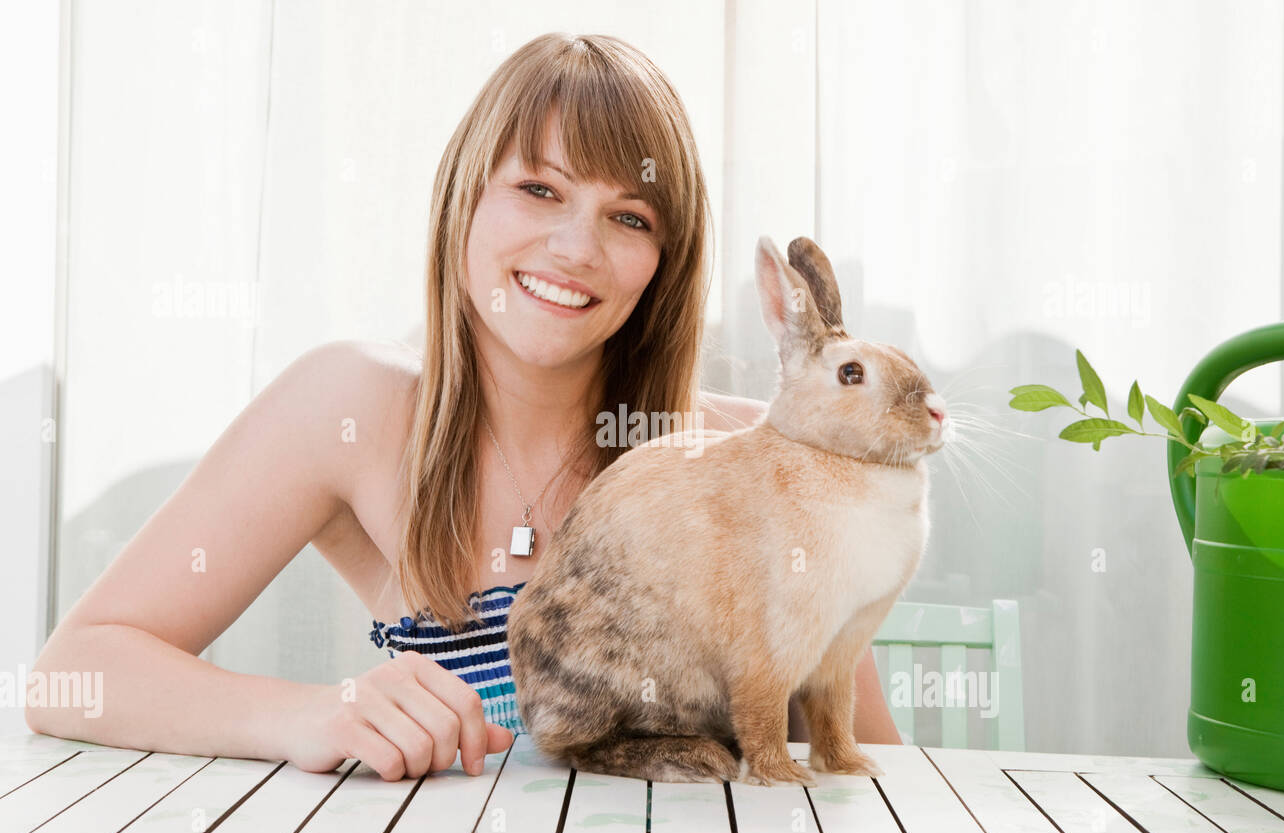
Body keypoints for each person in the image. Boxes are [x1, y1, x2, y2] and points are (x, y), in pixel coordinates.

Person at [27, 32, 900, 783]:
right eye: (540, 190)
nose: (576, 249)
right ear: (464, 196)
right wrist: (309, 717)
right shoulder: (354, 408)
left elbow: (869, 762)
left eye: (629, 217)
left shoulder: (763, 452)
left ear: (665, 261)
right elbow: (75, 671)